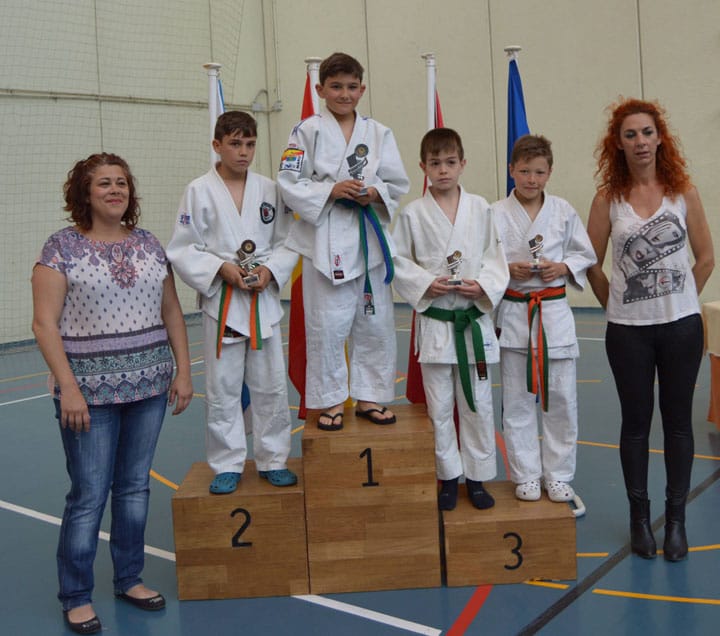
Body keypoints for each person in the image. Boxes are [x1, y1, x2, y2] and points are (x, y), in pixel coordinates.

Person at [31, 153, 193, 634]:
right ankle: (76, 595)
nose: (115, 190)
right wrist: (68, 388)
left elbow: (171, 311)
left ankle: (129, 578)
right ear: (84, 192)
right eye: (103, 183)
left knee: (134, 488)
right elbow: (44, 324)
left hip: (149, 387)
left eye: (121, 182)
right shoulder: (61, 248)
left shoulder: (148, 244)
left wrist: (183, 372)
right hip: (88, 397)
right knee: (88, 496)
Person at [586, 98, 714, 561]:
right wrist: (614, 305)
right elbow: (591, 264)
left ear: (660, 138)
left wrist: (680, 301)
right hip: (628, 333)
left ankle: (675, 521)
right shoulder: (608, 199)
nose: (640, 142)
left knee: (678, 425)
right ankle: (639, 520)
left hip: (681, 330)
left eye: (646, 132)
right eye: (630, 135)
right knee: (635, 424)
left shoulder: (684, 193)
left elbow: (706, 258)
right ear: (618, 145)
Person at [167, 111, 298, 495]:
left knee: (271, 385)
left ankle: (273, 459)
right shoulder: (198, 191)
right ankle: (227, 463)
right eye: (235, 144)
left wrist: (270, 271)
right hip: (222, 302)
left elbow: (288, 241)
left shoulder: (270, 189)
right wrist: (220, 268)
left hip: (262, 301)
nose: (243, 152)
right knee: (222, 387)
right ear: (217, 145)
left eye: (250, 144)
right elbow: (182, 247)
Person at [277, 52, 410, 431]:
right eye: (336, 87)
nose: (344, 94)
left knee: (375, 324)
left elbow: (397, 182)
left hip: (368, 241)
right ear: (321, 90)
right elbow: (288, 183)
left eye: (352, 87)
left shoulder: (379, 133)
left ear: (362, 89)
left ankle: (371, 396)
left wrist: (375, 192)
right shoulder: (305, 132)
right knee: (327, 327)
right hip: (324, 242)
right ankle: (331, 400)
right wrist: (330, 191)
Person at [392, 128, 509, 510]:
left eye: (450, 162)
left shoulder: (481, 208)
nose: (443, 170)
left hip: (471, 322)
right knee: (439, 408)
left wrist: (484, 286)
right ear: (423, 167)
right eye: (435, 163)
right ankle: (447, 477)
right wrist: (426, 283)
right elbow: (398, 260)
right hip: (437, 323)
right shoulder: (412, 213)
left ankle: (477, 478)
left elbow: (496, 258)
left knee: (478, 406)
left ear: (462, 164)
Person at [493, 135, 596, 504]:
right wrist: (507, 269)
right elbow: (482, 260)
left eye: (538, 172)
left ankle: (559, 475)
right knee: (517, 401)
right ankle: (525, 474)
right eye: (524, 171)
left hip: (553, 314)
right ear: (511, 170)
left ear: (549, 172)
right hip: (516, 314)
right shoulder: (495, 213)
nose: (531, 179)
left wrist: (563, 266)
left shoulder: (563, 210)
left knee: (562, 399)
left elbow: (585, 253)